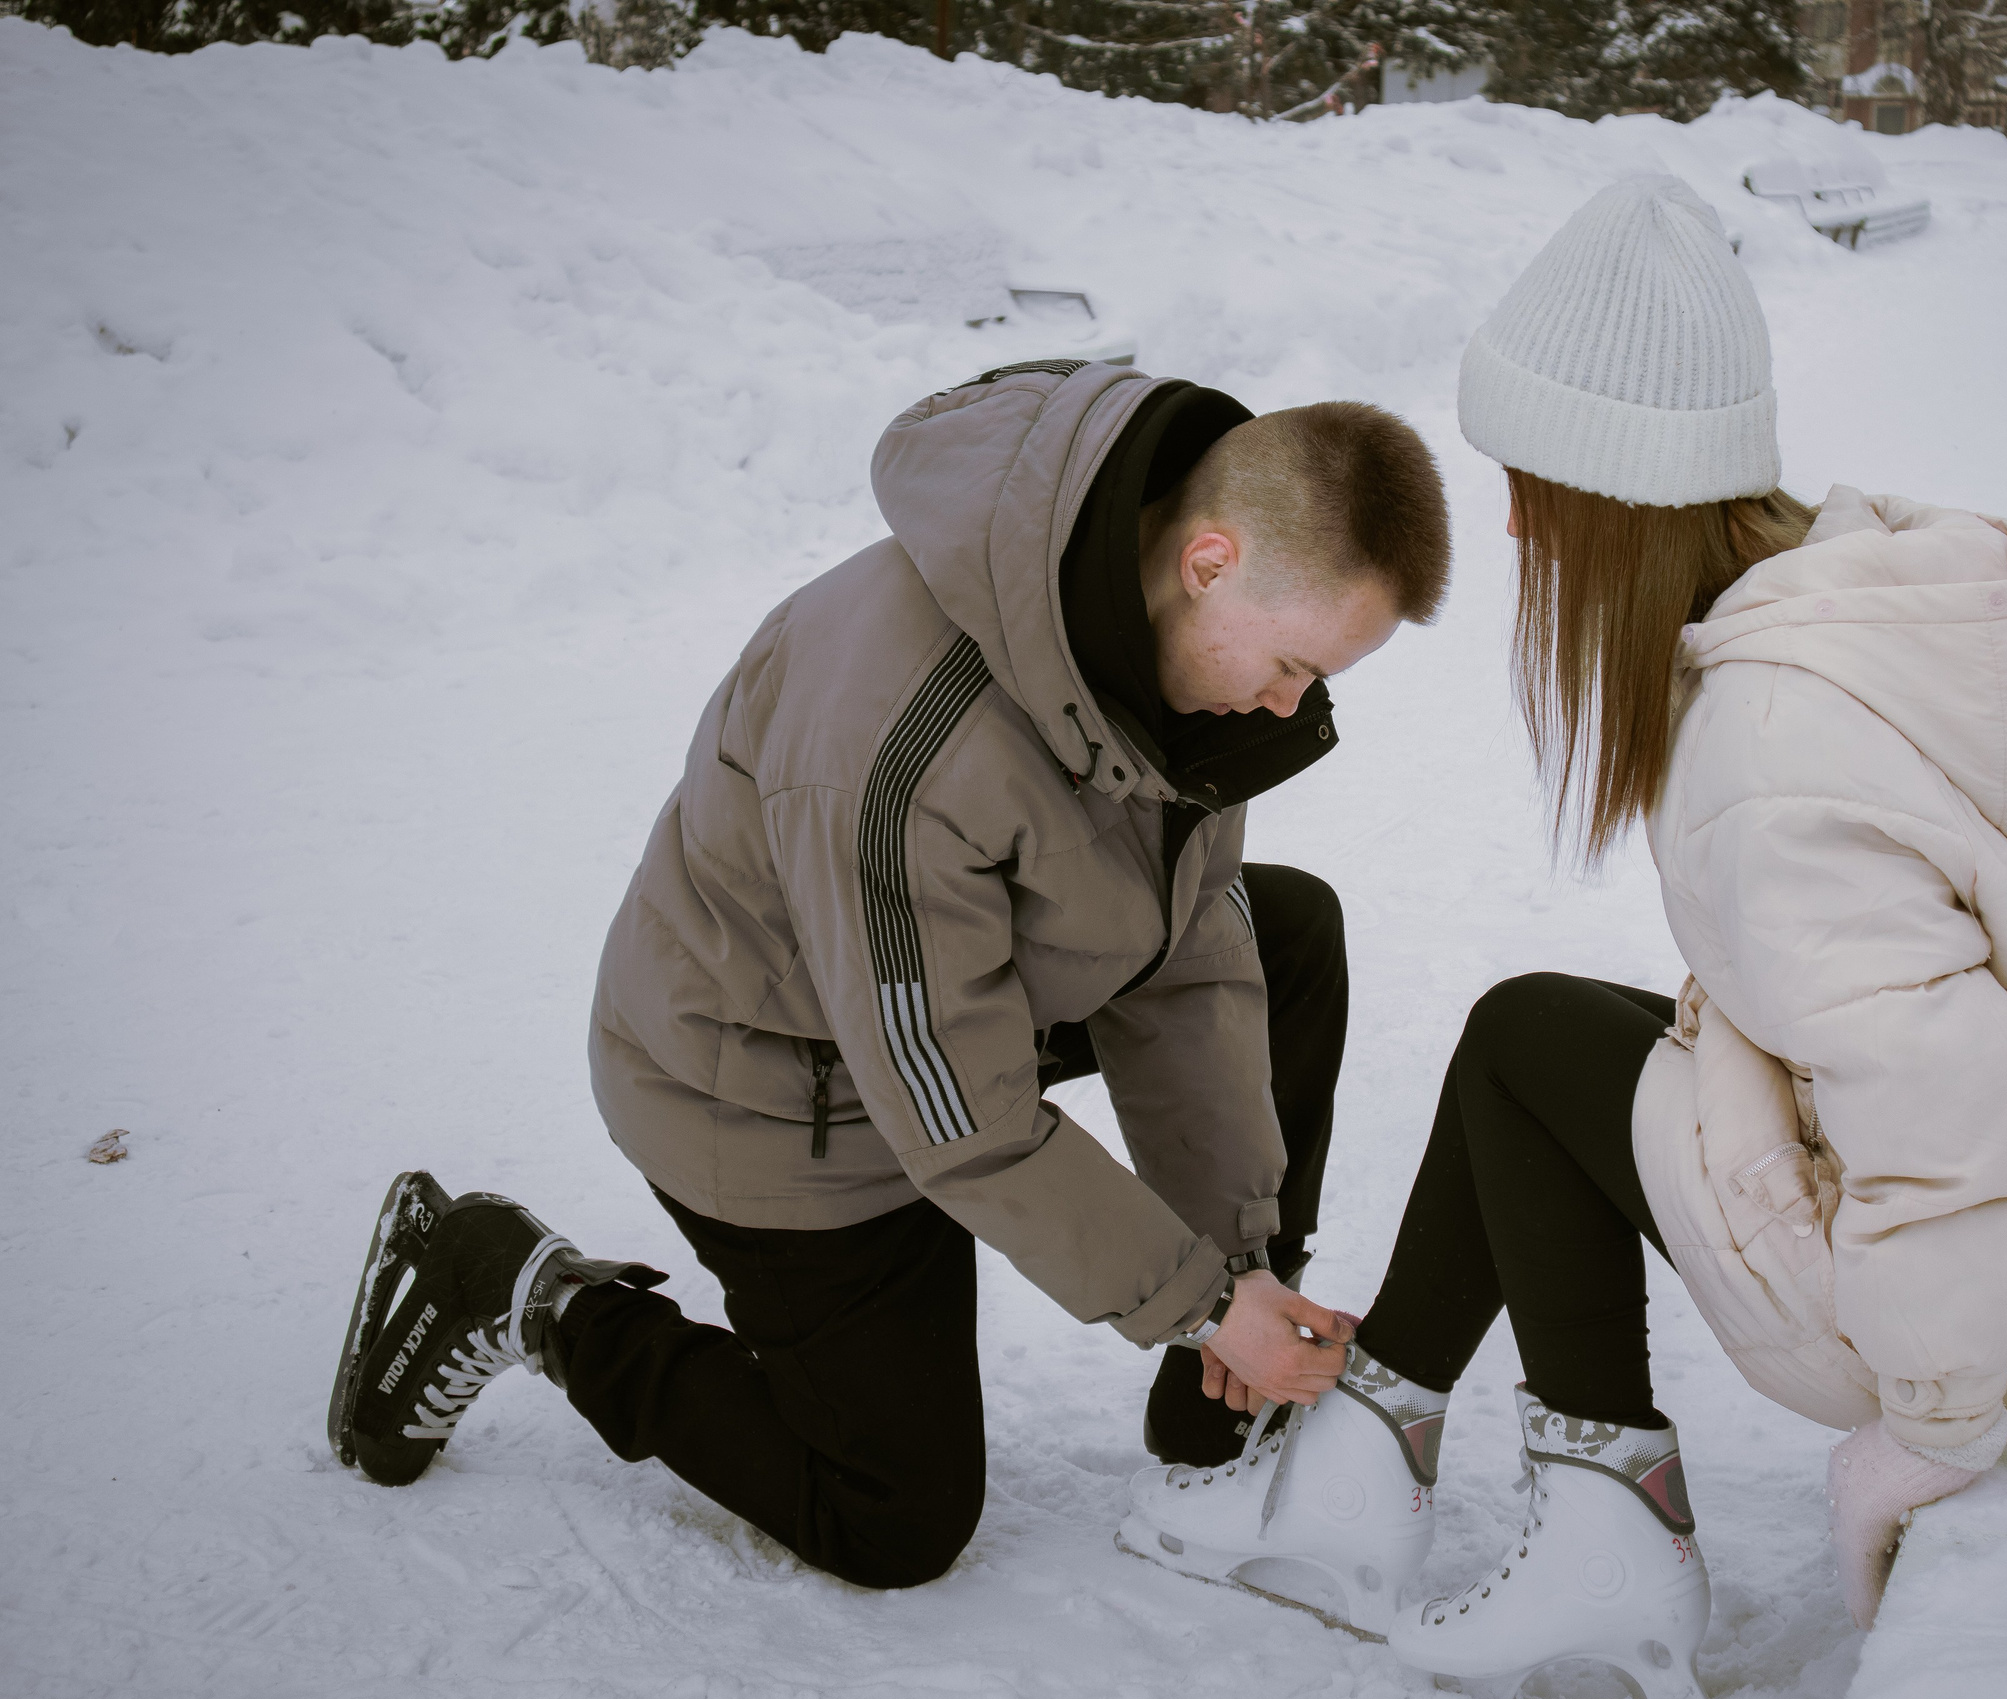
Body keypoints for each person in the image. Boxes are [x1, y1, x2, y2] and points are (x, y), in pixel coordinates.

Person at [1124, 178, 2007, 1699]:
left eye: (1534, 483)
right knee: (1532, 1035)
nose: (1512, 521)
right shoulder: (1845, 599)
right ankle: (1378, 1466)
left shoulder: (1782, 747)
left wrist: (1933, 1432)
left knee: (1532, 1048)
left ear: (1618, 494)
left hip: (1988, 1306)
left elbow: (1955, 1117)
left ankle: (1593, 1541)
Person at [325, 359, 1451, 1590]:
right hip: (776, 1089)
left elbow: (1189, 960)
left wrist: (1235, 1265)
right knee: (895, 1518)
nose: (1293, 703)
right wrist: (1186, 1296)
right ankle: (521, 1290)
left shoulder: (1174, 661)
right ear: (1209, 562)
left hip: (957, 1003)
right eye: (1292, 663)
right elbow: (958, 1117)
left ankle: (1220, 1388)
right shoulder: (899, 745)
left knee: (1281, 933)